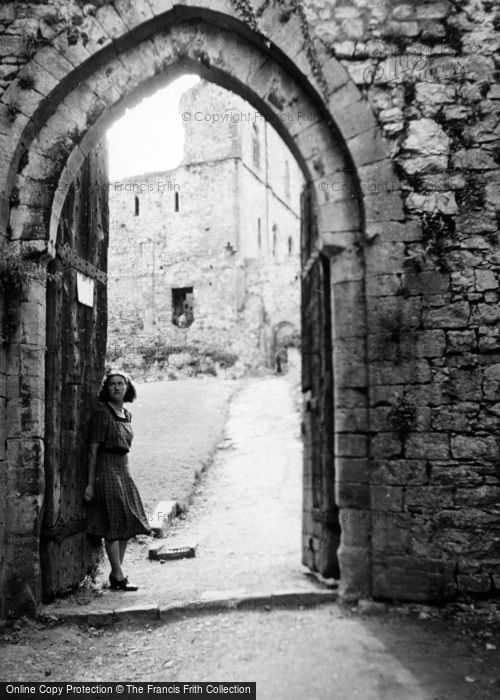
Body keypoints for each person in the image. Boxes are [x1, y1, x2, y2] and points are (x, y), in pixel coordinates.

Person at [84, 369, 151, 591]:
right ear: (106, 388)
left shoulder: (127, 414)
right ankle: (119, 576)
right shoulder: (102, 414)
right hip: (106, 467)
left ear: (127, 387)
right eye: (112, 384)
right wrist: (91, 483)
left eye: (121, 383)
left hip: (124, 468)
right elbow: (93, 451)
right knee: (113, 521)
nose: (116, 387)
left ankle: (116, 573)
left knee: (127, 519)